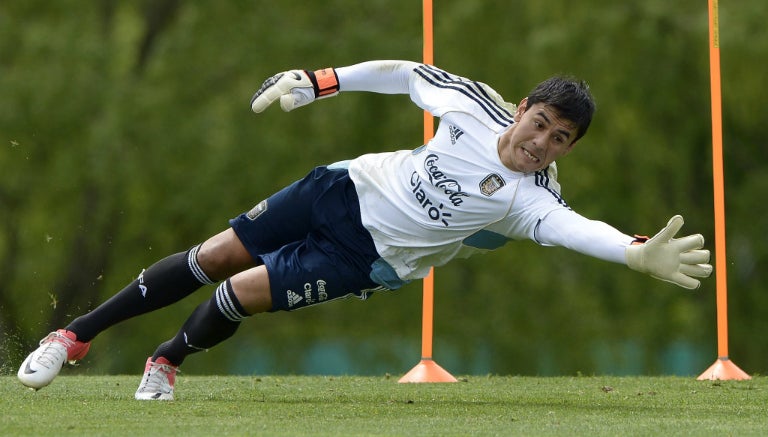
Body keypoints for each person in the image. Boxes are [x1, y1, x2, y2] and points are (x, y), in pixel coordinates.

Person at [17, 60, 712, 400]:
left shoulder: (532, 197)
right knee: (215, 254)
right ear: (521, 108)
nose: (541, 142)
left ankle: (166, 359)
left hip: (368, 260)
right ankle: (70, 336)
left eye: (560, 139)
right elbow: (404, 72)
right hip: (340, 189)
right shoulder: (471, 105)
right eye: (540, 123)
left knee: (243, 295)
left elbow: (575, 228)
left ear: (566, 149)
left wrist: (632, 252)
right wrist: (322, 81)